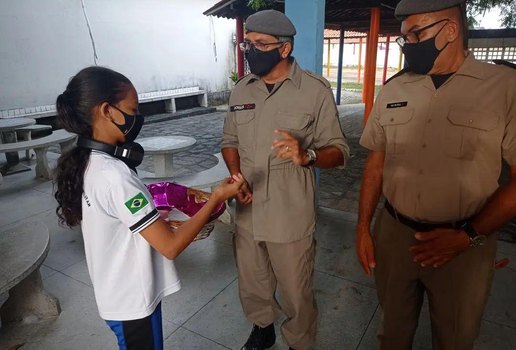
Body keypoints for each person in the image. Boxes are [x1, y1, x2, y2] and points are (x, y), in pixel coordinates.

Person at [356, 0, 516, 349]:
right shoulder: (395, 89)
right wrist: (363, 226)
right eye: (404, 38)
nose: (408, 45)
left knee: (455, 339)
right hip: (395, 235)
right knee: (392, 334)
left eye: (416, 34)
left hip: (465, 243)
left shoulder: (503, 87)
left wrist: (468, 235)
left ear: (451, 30)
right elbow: (375, 165)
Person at [54, 66, 244, 350]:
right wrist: (216, 197)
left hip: (118, 291)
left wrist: (157, 216)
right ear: (107, 111)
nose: (137, 118)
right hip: (131, 301)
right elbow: (170, 246)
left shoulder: (91, 163)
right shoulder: (115, 175)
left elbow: (119, 222)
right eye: (132, 109)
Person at [221, 9, 349, 350]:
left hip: (289, 215)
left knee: (296, 290)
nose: (250, 50)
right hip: (247, 210)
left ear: (284, 49)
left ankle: (299, 340)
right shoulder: (242, 91)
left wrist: (307, 156)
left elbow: (339, 151)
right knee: (252, 281)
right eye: (247, 43)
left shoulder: (314, 91)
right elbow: (229, 141)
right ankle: (262, 326)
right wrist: (236, 176)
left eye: (260, 44)